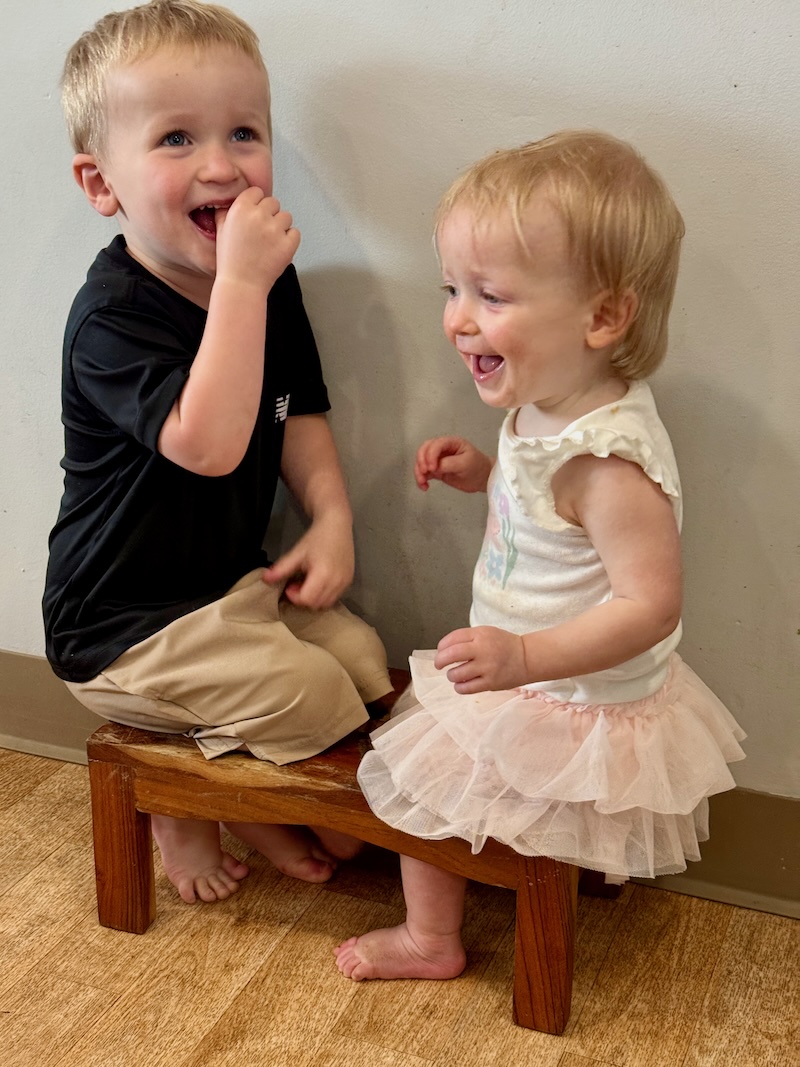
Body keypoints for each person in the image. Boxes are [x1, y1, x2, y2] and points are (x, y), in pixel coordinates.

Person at [335, 130, 746, 982]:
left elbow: (650, 605)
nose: (458, 319)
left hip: (565, 690)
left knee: (422, 782)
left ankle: (430, 937)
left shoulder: (607, 463)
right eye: (453, 289)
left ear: (602, 317)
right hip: (535, 674)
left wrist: (523, 658)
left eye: (490, 295)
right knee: (433, 761)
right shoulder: (548, 405)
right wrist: (488, 475)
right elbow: (554, 520)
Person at [43, 0, 392, 906]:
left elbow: (296, 410)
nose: (221, 165)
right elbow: (207, 443)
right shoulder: (112, 319)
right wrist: (240, 280)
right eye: (175, 138)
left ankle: (225, 776)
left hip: (222, 588)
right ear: (101, 183)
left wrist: (331, 518)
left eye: (244, 132)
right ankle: (188, 802)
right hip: (120, 625)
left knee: (359, 657)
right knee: (310, 698)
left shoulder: (268, 284)